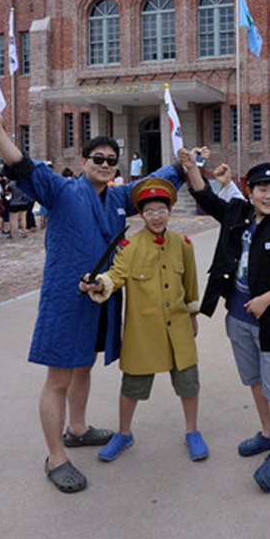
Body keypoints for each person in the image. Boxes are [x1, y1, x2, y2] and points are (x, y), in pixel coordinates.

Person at [0, 101, 191, 494]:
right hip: (66, 298)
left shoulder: (118, 197)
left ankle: (77, 428)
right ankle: (55, 457)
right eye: (98, 159)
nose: (105, 165)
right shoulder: (60, 190)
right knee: (59, 376)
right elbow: (23, 165)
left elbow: (153, 183)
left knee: (84, 366)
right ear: (83, 161)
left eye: (111, 160)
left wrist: (184, 164)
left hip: (101, 298)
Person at [184, 154, 270, 492]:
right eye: (262, 189)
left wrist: (266, 299)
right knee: (253, 379)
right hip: (237, 318)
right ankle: (267, 433)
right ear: (249, 191)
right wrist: (191, 167)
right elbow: (205, 196)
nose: (269, 196)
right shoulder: (237, 213)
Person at [80, 177, 207, 464]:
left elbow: (190, 284)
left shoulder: (183, 244)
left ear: (170, 212)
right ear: (141, 215)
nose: (156, 217)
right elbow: (116, 275)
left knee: (189, 383)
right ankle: (124, 433)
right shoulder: (129, 246)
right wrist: (99, 283)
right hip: (143, 331)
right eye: (149, 212)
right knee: (132, 386)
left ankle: (192, 431)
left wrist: (193, 316)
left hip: (178, 329)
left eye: (161, 210)